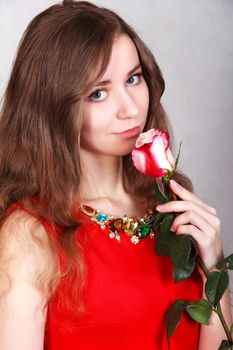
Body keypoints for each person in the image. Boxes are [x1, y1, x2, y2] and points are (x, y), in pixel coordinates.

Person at [0, 1, 232, 349]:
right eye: (98, 93)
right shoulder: (30, 234)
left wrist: (215, 268)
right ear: (52, 107)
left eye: (133, 78)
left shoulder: (170, 204)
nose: (131, 108)